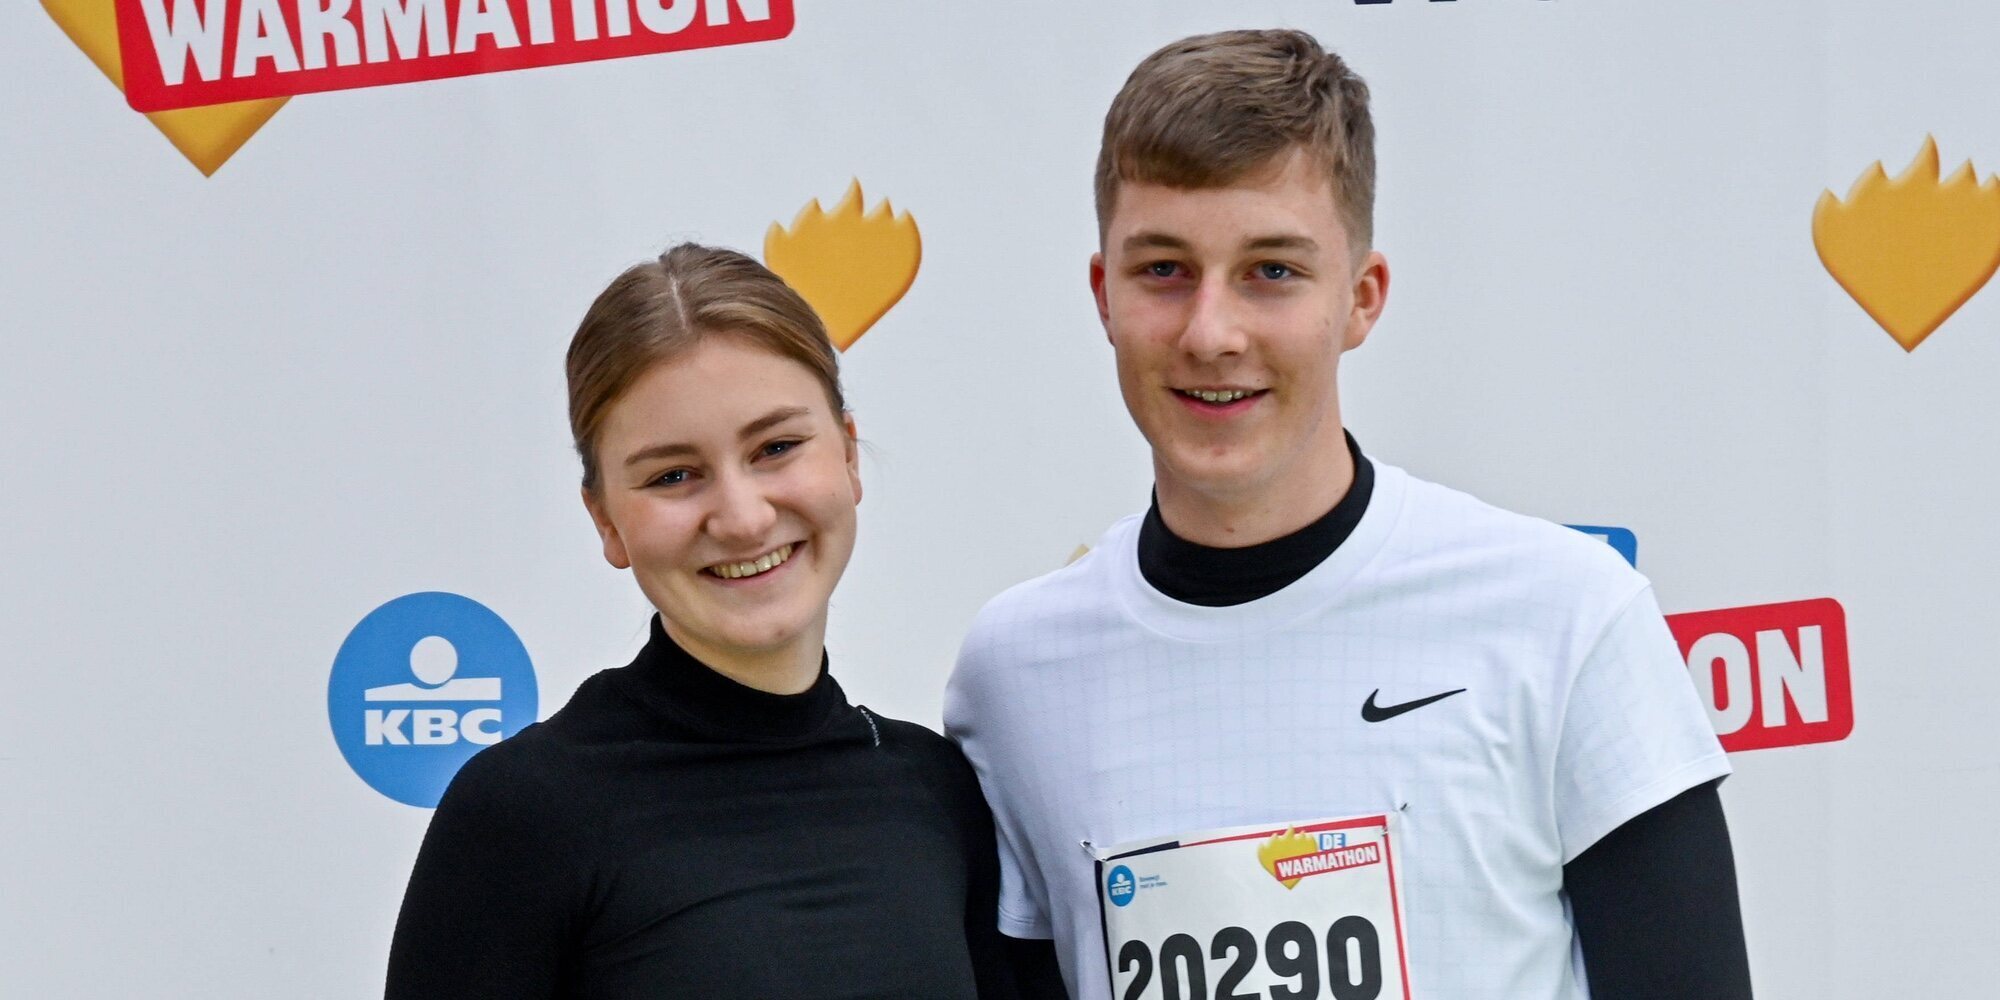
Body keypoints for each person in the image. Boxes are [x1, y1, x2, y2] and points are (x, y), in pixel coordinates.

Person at [945, 30, 1753, 1000]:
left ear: (1360, 299)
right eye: (1162, 269)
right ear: (1102, 294)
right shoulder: (1014, 672)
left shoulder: (1566, 614)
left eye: (1270, 271)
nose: (1211, 331)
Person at [387, 243, 1018, 999]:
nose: (744, 518)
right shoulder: (523, 815)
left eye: (776, 447)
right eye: (674, 476)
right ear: (606, 520)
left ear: (848, 458)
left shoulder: (939, 791)